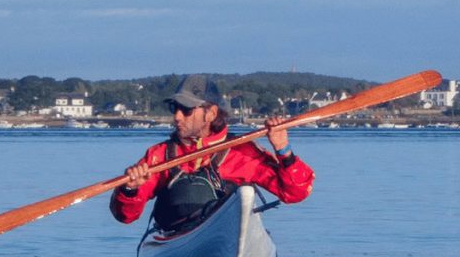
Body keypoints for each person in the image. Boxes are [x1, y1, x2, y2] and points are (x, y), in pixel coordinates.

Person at [110, 74, 315, 231]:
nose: (177, 117)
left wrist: (283, 150)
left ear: (211, 113)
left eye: (187, 109)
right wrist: (130, 190)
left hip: (228, 232)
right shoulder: (160, 155)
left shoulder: (243, 152)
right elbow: (125, 216)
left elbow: (295, 193)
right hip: (176, 236)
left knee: (242, 193)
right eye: (175, 108)